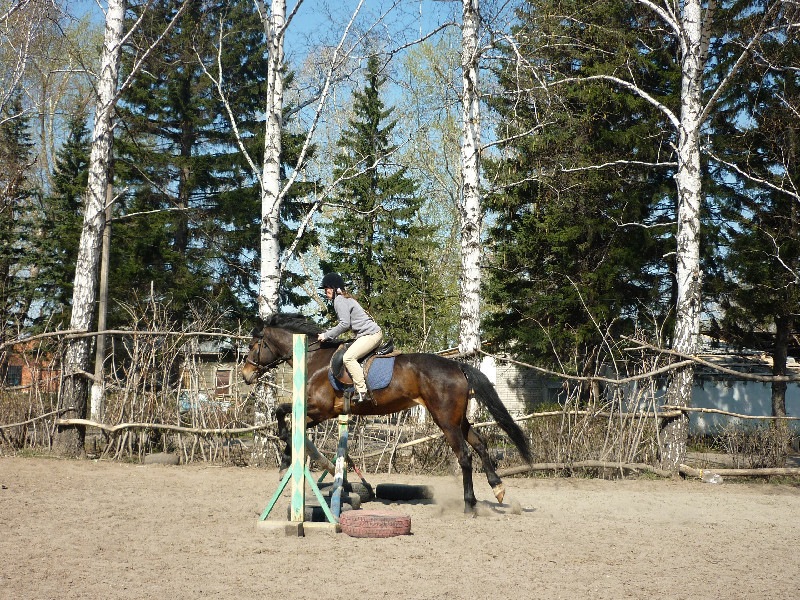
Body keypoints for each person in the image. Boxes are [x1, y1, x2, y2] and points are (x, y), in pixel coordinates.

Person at [317, 272, 383, 403]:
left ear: (335, 288)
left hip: (371, 335)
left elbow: (344, 324)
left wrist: (327, 335)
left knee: (348, 358)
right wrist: (329, 333)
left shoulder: (339, 300)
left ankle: (362, 391)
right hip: (368, 334)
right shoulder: (344, 299)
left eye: (327, 288)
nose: (325, 291)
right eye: (325, 289)